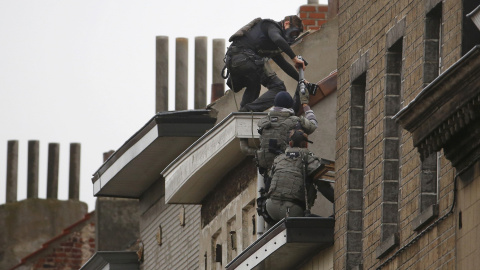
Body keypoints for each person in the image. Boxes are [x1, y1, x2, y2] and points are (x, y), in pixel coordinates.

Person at [223, 15, 306, 112]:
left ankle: (243, 114)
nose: (293, 37)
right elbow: (278, 39)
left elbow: (284, 65)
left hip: (235, 61)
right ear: (286, 24)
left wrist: (301, 80)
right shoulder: (272, 26)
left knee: (254, 84)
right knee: (278, 87)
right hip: (245, 58)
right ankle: (248, 110)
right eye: (293, 33)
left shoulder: (270, 43)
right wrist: (294, 58)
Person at [264, 129, 334, 224]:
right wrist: (337, 201)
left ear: (290, 143)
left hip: (271, 208)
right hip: (293, 209)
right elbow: (323, 186)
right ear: (305, 144)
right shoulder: (308, 159)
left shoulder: (279, 159)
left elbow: (267, 186)